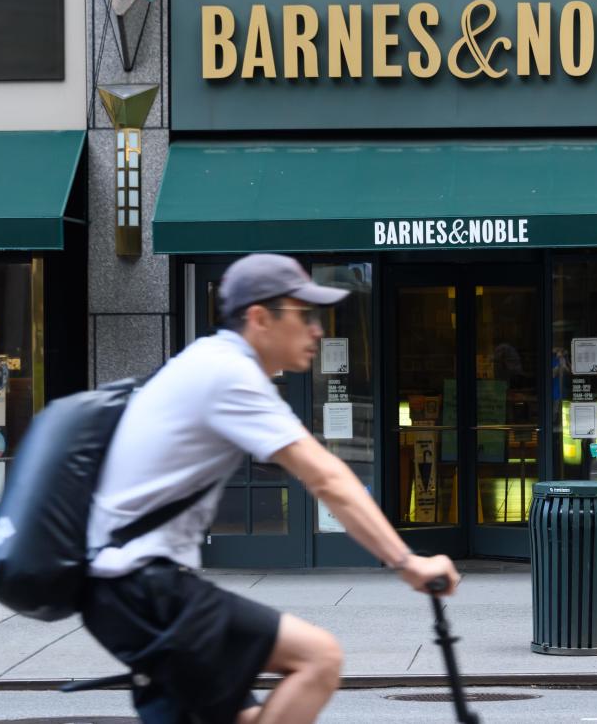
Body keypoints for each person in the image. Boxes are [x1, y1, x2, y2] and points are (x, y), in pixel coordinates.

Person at [81, 254, 460, 724]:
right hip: (142, 588)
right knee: (318, 659)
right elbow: (326, 476)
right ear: (260, 318)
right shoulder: (231, 375)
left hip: (124, 589)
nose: (318, 331)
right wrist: (407, 562)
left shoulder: (207, 362)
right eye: (305, 315)